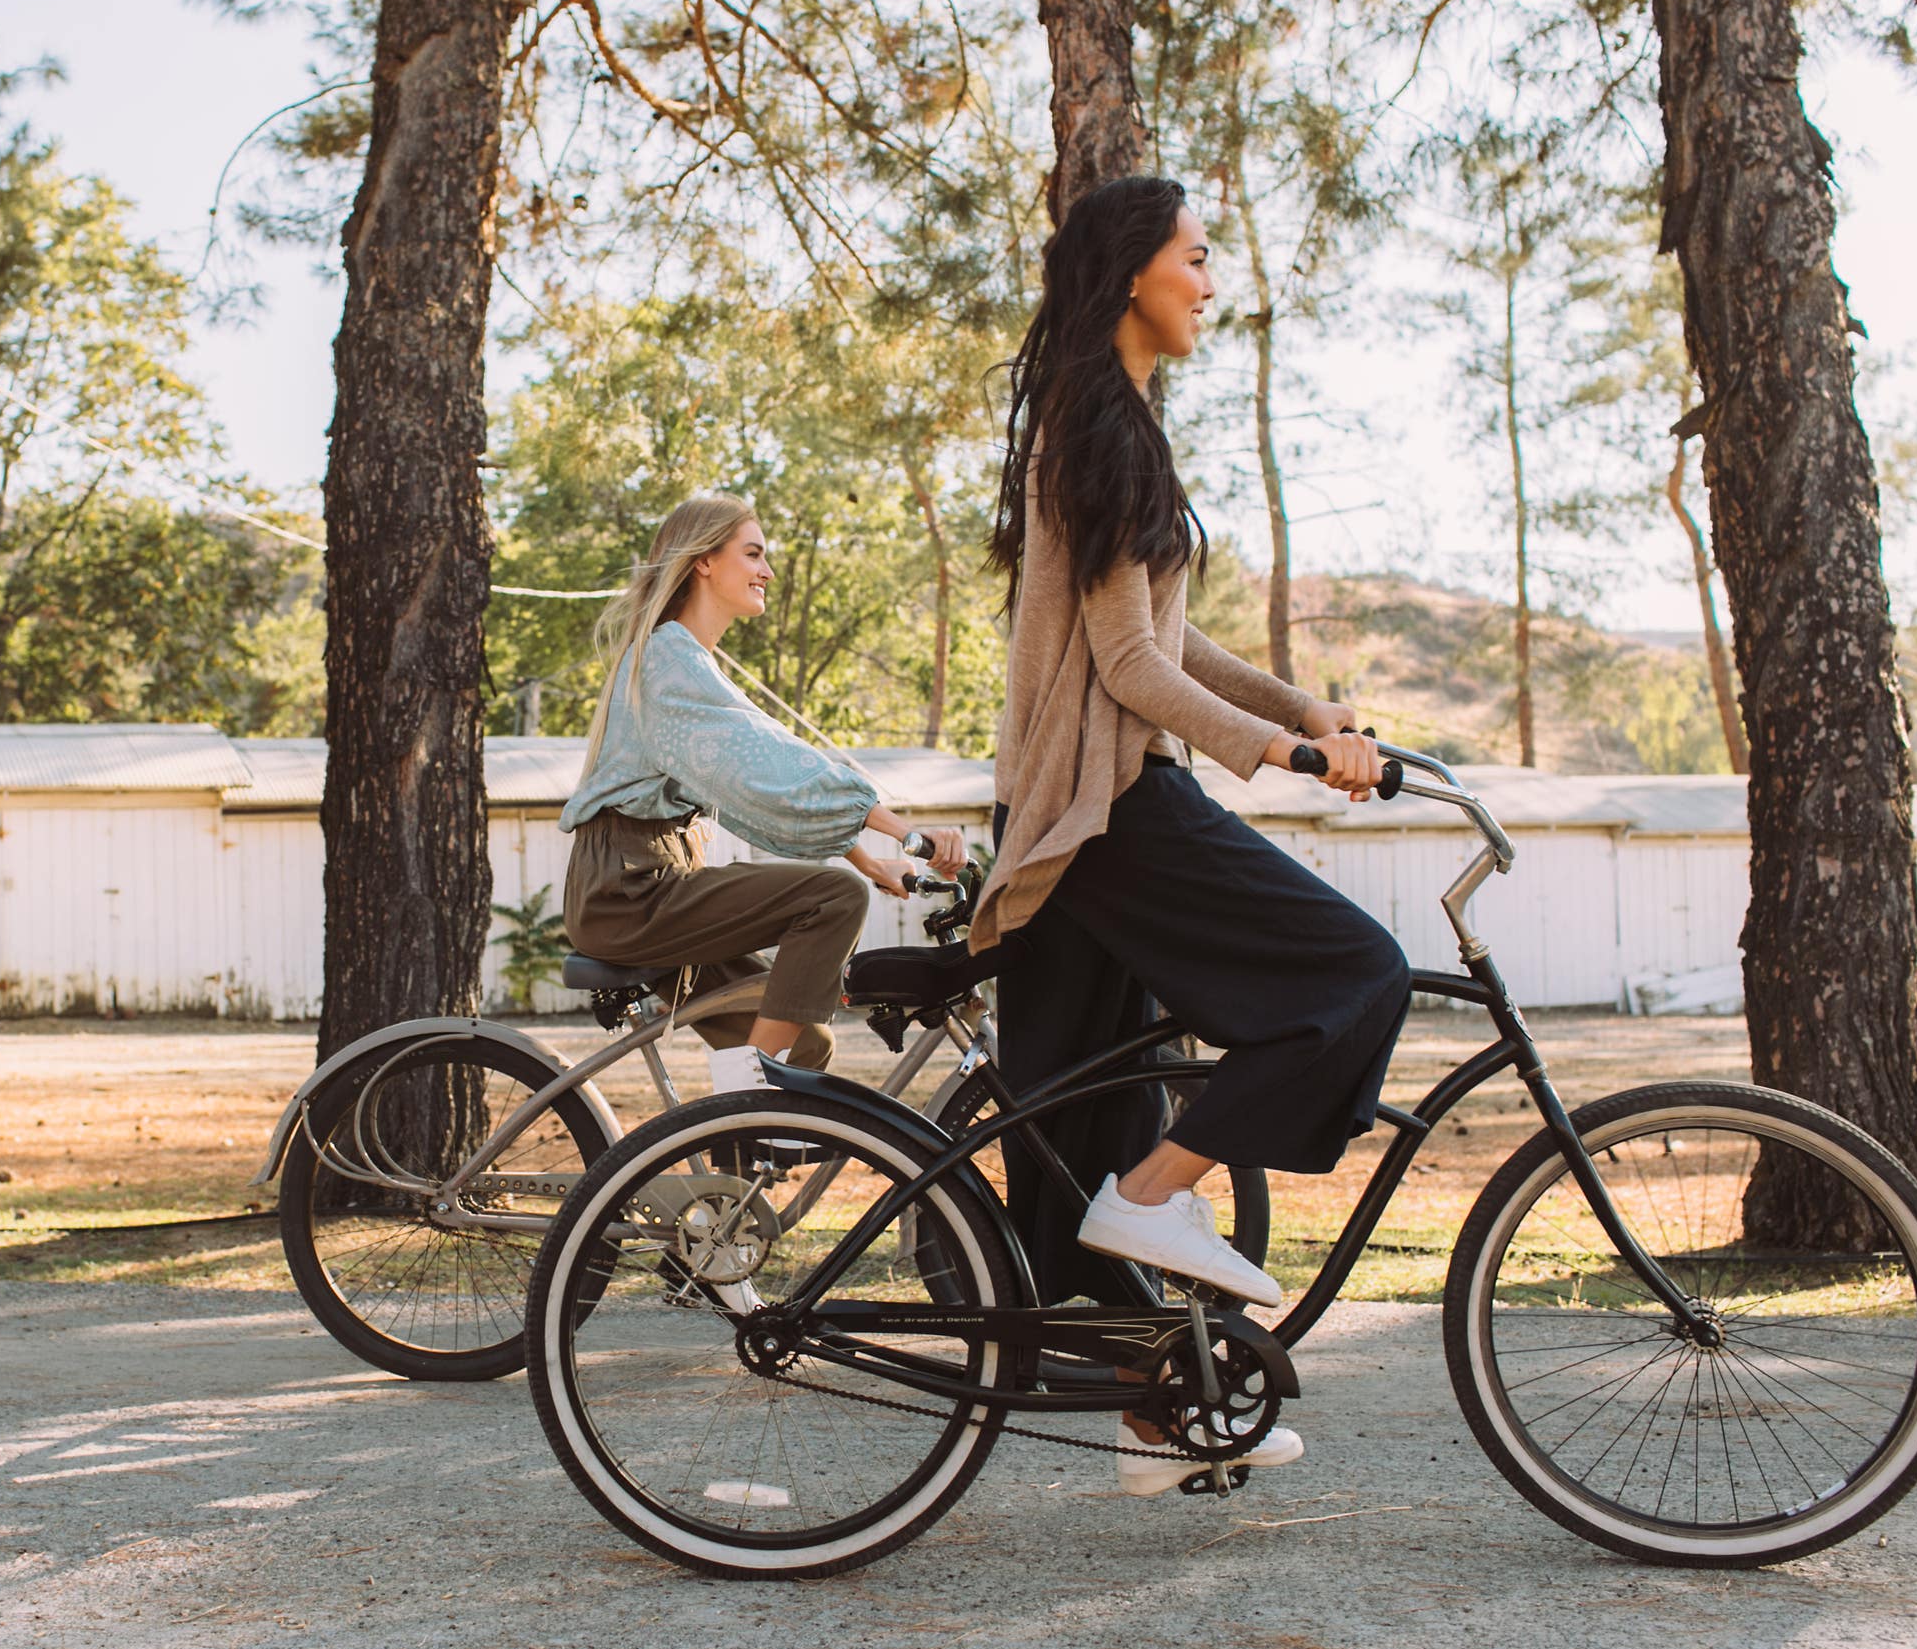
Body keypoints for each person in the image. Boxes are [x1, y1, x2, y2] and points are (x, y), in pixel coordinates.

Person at [974, 174, 1413, 1492]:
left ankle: (1151, 1413)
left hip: (1085, 804)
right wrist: (1281, 753)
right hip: (1104, 807)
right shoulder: (1100, 425)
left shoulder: (1116, 424)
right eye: (1197, 258)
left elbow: (1175, 637)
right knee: (1354, 977)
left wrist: (1304, 706)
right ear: (1132, 275)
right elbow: (1127, 670)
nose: (1210, 283)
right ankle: (1159, 1194)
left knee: (1080, 1123)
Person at [560, 493, 965, 1092]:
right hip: (627, 892)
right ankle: (748, 1089)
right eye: (753, 554)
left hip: (652, 882)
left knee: (804, 1039)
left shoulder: (687, 659)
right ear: (703, 561)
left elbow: (752, 779)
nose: (767, 572)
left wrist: (871, 857)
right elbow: (767, 763)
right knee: (833, 899)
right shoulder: (669, 660)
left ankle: (739, 1173)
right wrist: (904, 832)